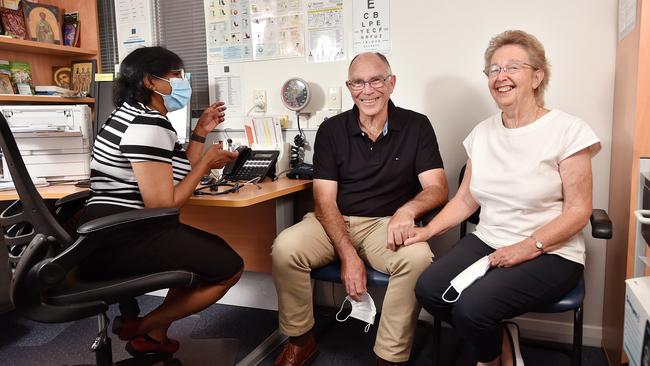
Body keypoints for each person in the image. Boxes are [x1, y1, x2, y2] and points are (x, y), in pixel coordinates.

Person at [410, 30, 601, 366]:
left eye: (512, 67)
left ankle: (490, 359)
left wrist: (526, 248)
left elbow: (578, 210)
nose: (501, 77)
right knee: (429, 289)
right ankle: (500, 340)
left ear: (537, 76)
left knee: (473, 308)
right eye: (493, 70)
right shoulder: (482, 133)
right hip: (490, 239)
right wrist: (426, 232)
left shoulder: (568, 131)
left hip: (552, 251)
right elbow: (466, 200)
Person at [272, 52, 449, 366]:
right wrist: (348, 255)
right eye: (358, 82)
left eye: (376, 80)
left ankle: (389, 356)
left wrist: (407, 212)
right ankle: (301, 340)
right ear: (349, 87)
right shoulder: (331, 130)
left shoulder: (416, 125)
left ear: (391, 83)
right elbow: (325, 201)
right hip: (335, 220)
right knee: (286, 247)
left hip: (386, 223)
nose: (367, 90)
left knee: (418, 258)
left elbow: (437, 188)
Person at [77, 46, 243, 356]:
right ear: (151, 82)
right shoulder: (148, 124)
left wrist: (200, 132)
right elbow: (163, 206)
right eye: (176, 76)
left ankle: (152, 335)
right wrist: (207, 164)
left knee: (198, 253)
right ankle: (140, 327)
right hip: (122, 239)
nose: (183, 83)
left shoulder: (130, 115)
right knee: (230, 267)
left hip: (104, 234)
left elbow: (176, 175)